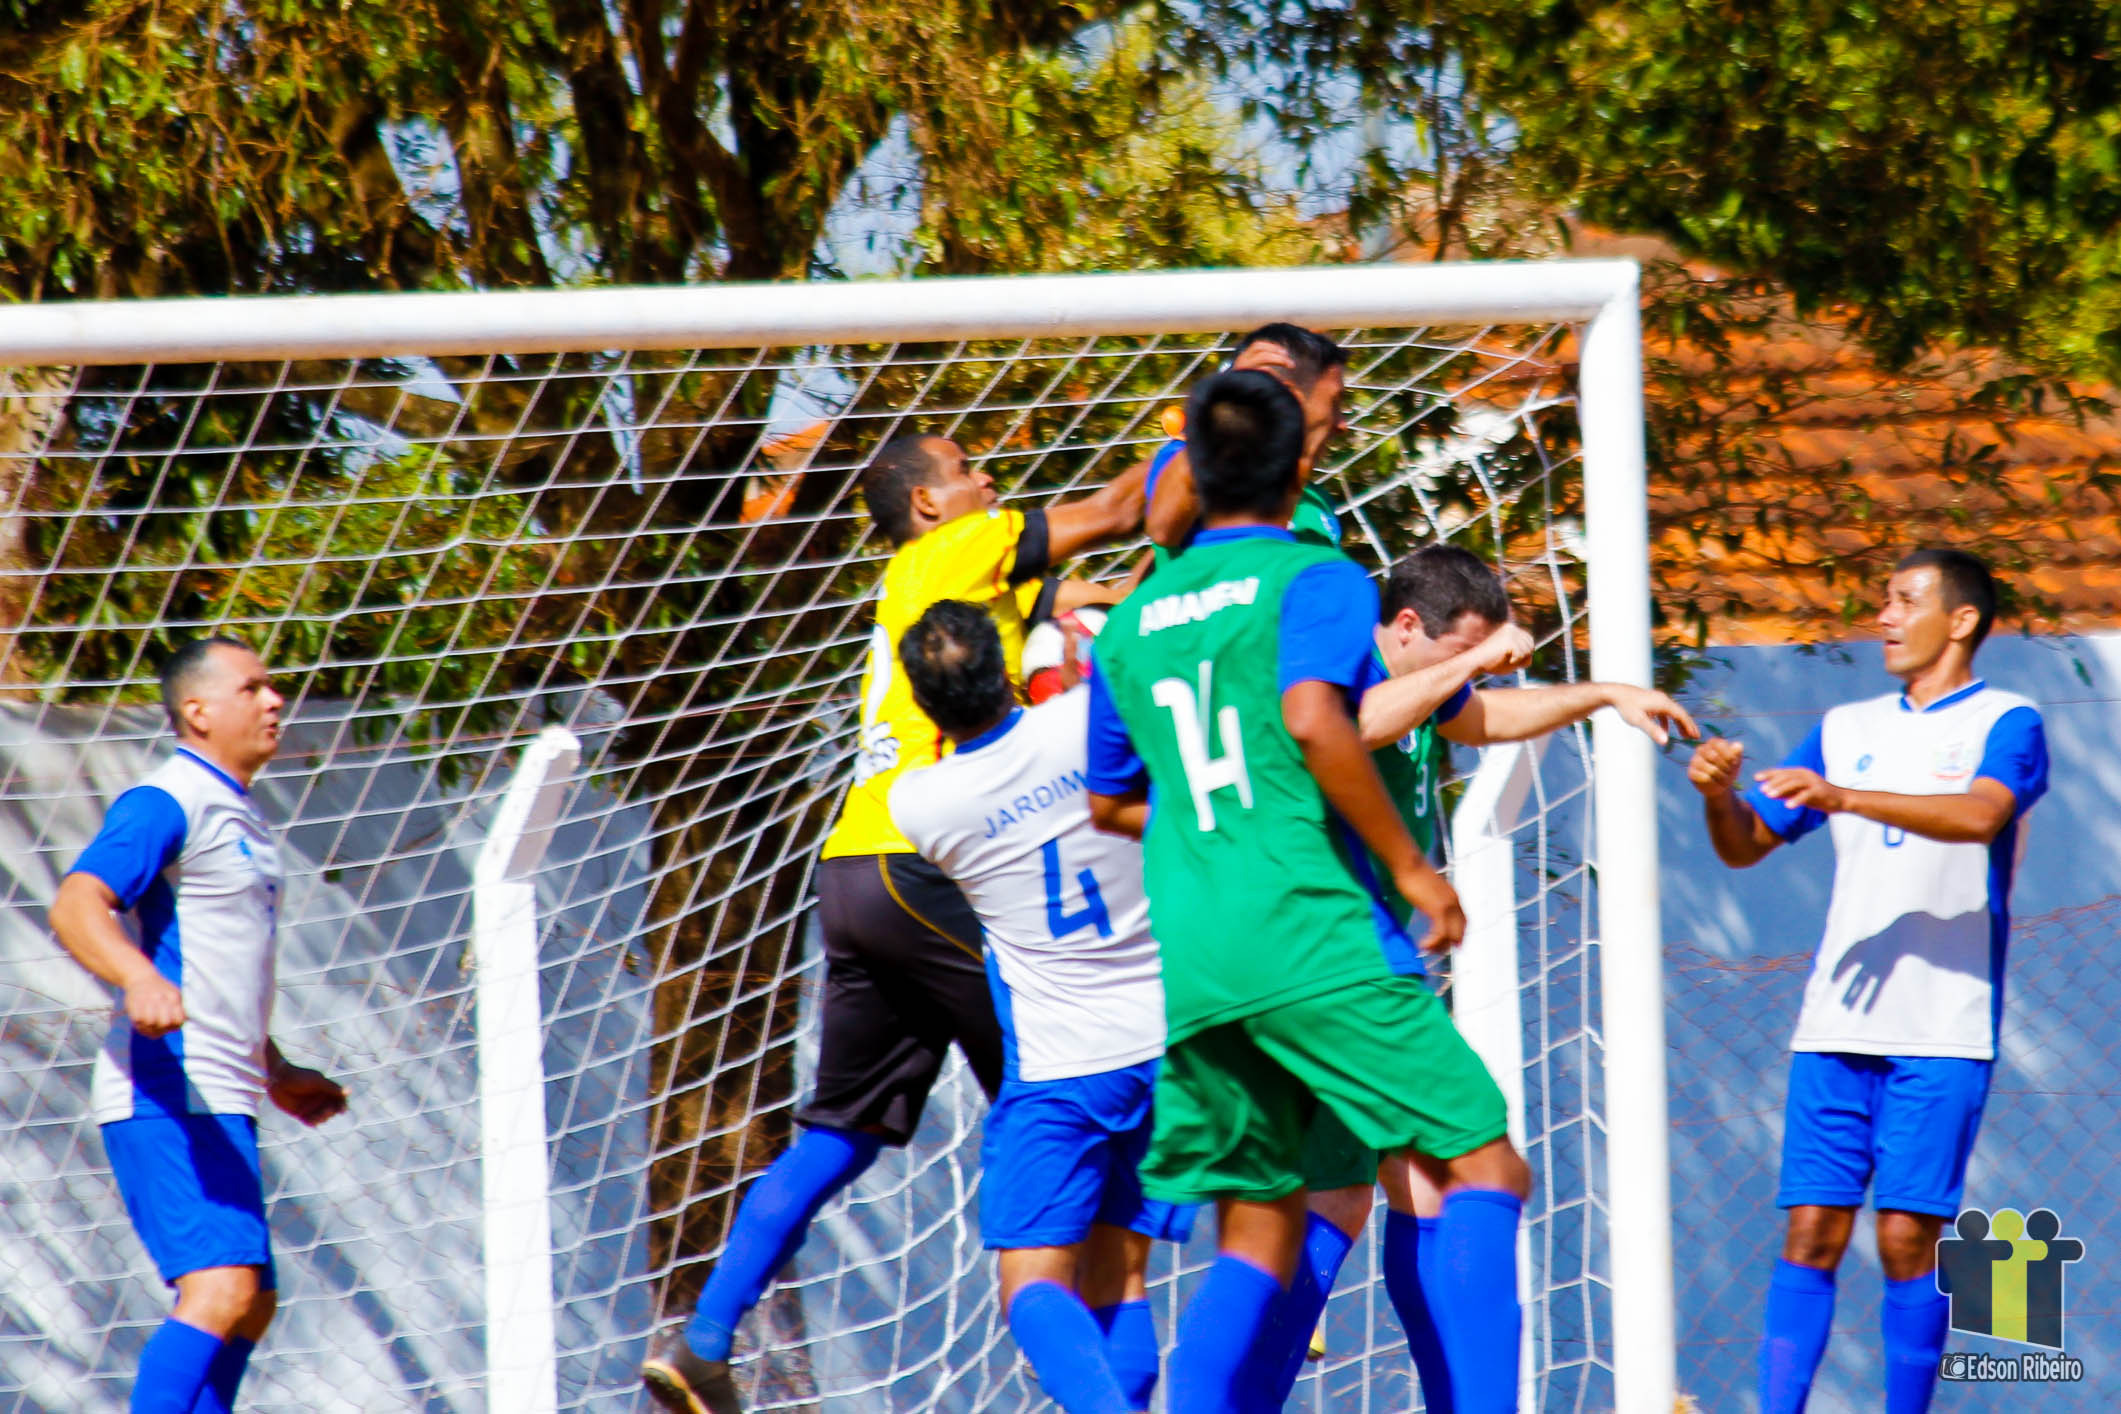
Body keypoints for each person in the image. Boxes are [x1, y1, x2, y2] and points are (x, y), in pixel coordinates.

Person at [644, 433, 1148, 1413]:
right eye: (967, 467)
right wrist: (1223, 423)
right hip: (928, 861)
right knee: (1077, 1106)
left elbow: (1093, 587)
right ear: (926, 504)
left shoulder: (950, 588)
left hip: (856, 868)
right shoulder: (954, 546)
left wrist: (1124, 593)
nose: (990, 477)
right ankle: (1146, 1322)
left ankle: (703, 1341)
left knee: (844, 1129)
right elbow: (1121, 506)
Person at [1084, 368, 1523, 1414]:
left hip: (1199, 951)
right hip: (1311, 926)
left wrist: (1214, 831)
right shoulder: (1314, 577)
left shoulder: (1132, 623)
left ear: (1191, 471)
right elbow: (1318, 719)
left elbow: (1110, 802)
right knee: (1483, 1166)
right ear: (1299, 471)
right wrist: (1411, 869)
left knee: (1264, 1227)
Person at [1250, 543, 1698, 1410]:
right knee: (1436, 1179)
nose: (1473, 669)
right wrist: (1469, 663)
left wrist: (1604, 693)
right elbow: (1351, 723)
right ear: (1404, 625)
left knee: (1413, 1187)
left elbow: (1482, 717)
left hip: (1365, 968)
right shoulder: (1343, 668)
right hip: (1331, 971)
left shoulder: (1421, 678)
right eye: (1460, 649)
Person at [1685, 549, 2046, 1414]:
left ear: (1960, 620)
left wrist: (1846, 798)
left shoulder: (2007, 719)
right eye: (1883, 599)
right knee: (1809, 1231)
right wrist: (1716, 797)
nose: (1883, 616)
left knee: (1904, 1239)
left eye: (1904, 600)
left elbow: (1980, 815)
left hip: (1942, 1026)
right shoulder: (1843, 727)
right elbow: (1744, 846)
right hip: (1834, 1024)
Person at [889, 599, 1189, 1414]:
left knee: (1031, 1287)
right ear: (1007, 664)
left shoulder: (921, 807)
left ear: (924, 703)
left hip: (1064, 1063)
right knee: (1122, 1277)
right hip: (1167, 1042)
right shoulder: (1086, 718)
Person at [49, 636, 347, 1414]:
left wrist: (276, 1069)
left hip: (223, 1090)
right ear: (198, 710)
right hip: (165, 1083)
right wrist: (138, 977)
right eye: (252, 688)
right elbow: (77, 902)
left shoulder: (240, 814)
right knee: (220, 1289)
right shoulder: (167, 799)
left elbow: (218, 969)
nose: (275, 700)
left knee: (249, 1304)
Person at [1140, 322, 1348, 559]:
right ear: (1291, 397)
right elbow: (1163, 529)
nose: (1342, 424)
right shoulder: (1193, 460)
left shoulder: (1318, 501)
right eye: (1335, 402)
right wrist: (1235, 393)